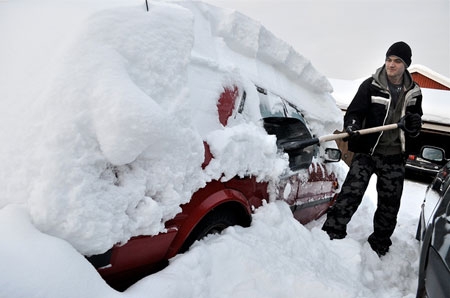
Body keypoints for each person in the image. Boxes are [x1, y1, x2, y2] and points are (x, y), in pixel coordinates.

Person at [322, 41, 423, 256]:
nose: (391, 64)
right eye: (388, 59)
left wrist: (414, 126)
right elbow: (355, 112)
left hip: (395, 156)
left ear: (406, 65)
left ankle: (379, 245)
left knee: (389, 204)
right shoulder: (371, 85)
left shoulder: (414, 92)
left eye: (397, 61)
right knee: (351, 193)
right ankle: (331, 233)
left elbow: (415, 122)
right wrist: (352, 125)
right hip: (368, 152)